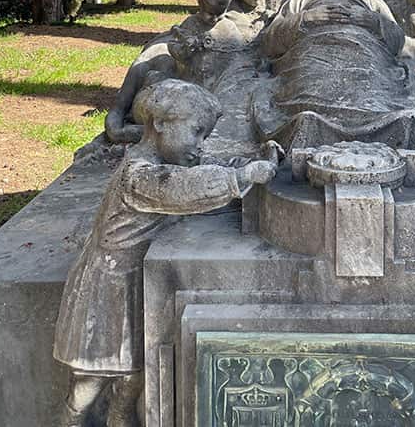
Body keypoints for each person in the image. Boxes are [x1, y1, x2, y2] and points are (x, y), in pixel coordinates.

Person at [55, 80, 279, 427]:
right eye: (197, 132)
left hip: (135, 284)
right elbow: (185, 188)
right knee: (92, 377)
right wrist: (240, 178)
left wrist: (252, 161)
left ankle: (119, 420)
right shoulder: (139, 174)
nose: (200, 145)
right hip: (107, 286)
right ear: (159, 125)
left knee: (132, 376)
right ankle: (69, 421)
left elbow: (205, 165)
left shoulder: (167, 157)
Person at [257, 0, 415, 150]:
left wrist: (372, 20)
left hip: (366, 54)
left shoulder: (370, 0)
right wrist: (305, 18)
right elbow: (270, 42)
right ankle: (310, 119)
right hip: (312, 54)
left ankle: (382, 122)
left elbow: (397, 41)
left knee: (373, 94)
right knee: (309, 95)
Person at [105, 0, 237, 143]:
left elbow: (235, 58)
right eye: (209, 13)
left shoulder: (229, 28)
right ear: (199, 2)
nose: (214, 19)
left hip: (212, 89)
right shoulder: (191, 24)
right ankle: (129, 120)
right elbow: (173, 48)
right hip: (185, 81)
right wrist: (184, 51)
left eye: (220, 14)